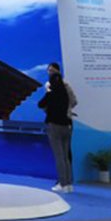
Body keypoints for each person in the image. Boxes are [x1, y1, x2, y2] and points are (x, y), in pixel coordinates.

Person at [38, 62, 73, 193]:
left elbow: (40, 104)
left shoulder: (51, 92)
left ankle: (62, 184)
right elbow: (73, 102)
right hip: (66, 124)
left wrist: (48, 92)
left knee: (59, 157)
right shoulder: (65, 91)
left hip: (54, 125)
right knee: (66, 156)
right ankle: (69, 184)